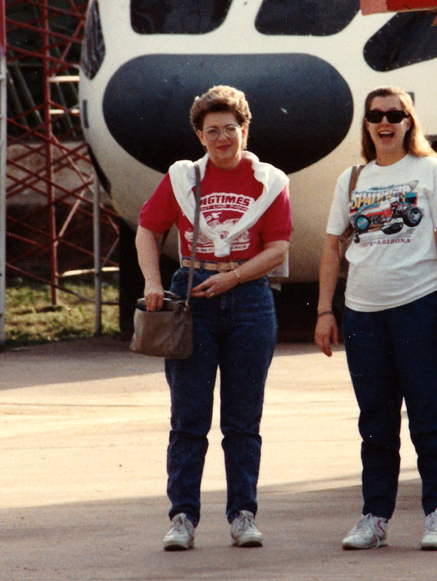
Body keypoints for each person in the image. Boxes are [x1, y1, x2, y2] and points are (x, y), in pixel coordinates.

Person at [135, 85, 292, 551]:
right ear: (200, 136)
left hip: (249, 297)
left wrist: (234, 277)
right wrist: (152, 282)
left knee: (242, 419)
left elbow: (278, 247)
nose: (222, 138)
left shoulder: (270, 182)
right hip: (193, 295)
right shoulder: (183, 178)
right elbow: (147, 230)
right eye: (212, 131)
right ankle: (182, 517)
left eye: (230, 128)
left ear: (245, 130)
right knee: (189, 417)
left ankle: (243, 515)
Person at [314, 86, 437, 551]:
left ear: (408, 122)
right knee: (376, 423)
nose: (385, 122)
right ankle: (374, 517)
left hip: (420, 308)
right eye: (376, 115)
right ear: (366, 124)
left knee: (428, 420)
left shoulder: (429, 170)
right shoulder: (352, 179)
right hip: (363, 316)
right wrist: (325, 310)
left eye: (395, 115)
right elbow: (332, 248)